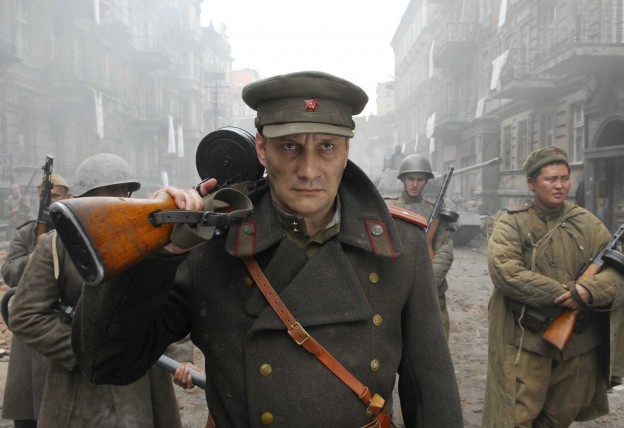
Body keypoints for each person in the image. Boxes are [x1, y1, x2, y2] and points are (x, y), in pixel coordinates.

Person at [70, 71, 463, 427]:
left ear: (346, 150)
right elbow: (106, 362)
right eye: (289, 146)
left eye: (326, 146)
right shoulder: (209, 242)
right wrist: (156, 252)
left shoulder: (400, 245)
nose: (309, 170)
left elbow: (431, 394)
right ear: (261, 149)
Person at [9, 153, 194, 427]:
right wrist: (89, 350)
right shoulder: (54, 246)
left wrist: (182, 359)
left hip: (141, 383)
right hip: (78, 391)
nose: (121, 198)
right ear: (87, 197)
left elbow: (165, 305)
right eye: (110, 191)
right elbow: (25, 314)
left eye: (124, 190)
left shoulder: (149, 240)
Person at [482, 145, 624, 427]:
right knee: (517, 417)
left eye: (564, 178)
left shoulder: (587, 223)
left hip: (579, 345)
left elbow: (617, 276)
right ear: (531, 183)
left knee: (559, 418)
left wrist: (588, 292)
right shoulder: (512, 223)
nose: (559, 185)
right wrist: (566, 295)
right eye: (550, 179)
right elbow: (506, 271)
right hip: (528, 342)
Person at [1, 173, 72, 428]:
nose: (49, 201)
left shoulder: (75, 229)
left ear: (68, 197)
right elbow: (9, 274)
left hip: (63, 327)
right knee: (28, 411)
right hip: (32, 334)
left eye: (55, 196)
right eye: (45, 196)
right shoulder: (26, 233)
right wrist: (35, 256)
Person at [386, 154, 456, 339]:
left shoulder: (434, 210)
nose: (415, 184)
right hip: (396, 294)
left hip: (431, 295)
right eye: (410, 179)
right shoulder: (387, 209)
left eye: (420, 179)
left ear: (426, 182)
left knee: (434, 347)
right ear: (402, 179)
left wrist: (426, 285)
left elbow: (445, 252)